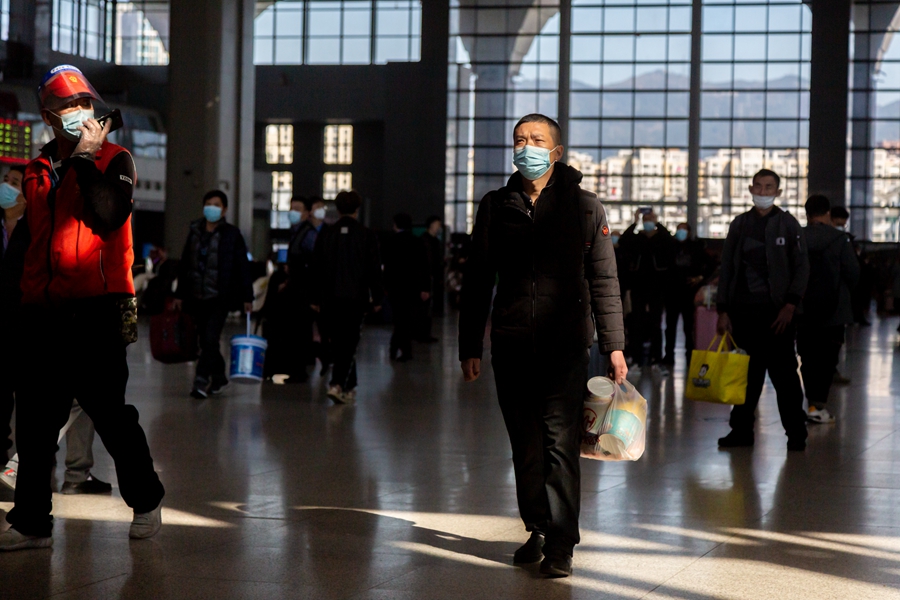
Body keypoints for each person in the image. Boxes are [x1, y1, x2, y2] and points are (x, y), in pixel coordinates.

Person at [0, 65, 165, 551]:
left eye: (84, 104)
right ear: (49, 117)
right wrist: (13, 306)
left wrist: (87, 159)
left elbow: (109, 214)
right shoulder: (36, 171)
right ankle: (32, 520)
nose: (79, 114)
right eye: (68, 107)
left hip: (97, 309)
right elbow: (26, 248)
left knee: (109, 412)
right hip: (42, 313)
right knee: (34, 421)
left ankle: (147, 497)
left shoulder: (116, 159)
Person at [458, 114, 627, 578]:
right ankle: (537, 524)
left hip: (566, 345)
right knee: (526, 445)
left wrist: (614, 344)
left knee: (559, 442)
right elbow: (477, 281)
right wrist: (469, 343)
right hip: (511, 344)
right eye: (519, 139)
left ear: (556, 151)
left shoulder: (585, 207)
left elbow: (605, 279)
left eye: (536, 140)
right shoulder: (496, 206)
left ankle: (561, 543)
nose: (525, 146)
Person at [716, 168, 809, 451]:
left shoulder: (788, 225)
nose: (763, 191)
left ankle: (796, 433)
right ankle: (741, 431)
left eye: (769, 187)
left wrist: (791, 305)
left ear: (778, 192)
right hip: (744, 314)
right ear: (750, 188)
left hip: (778, 315)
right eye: (759, 186)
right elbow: (727, 269)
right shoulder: (740, 224)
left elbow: (802, 267)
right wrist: (723, 309)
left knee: (785, 377)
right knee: (746, 376)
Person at [173, 190, 254, 399]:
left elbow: (242, 266)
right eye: (208, 203)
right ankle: (219, 377)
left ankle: (200, 380)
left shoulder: (232, 235)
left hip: (220, 297)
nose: (212, 207)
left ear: (224, 209)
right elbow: (185, 264)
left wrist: (248, 296)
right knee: (206, 341)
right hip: (196, 295)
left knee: (210, 338)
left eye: (216, 204)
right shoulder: (195, 231)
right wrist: (180, 294)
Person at [310, 190, 383, 404]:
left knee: (339, 341)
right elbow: (374, 269)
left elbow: (316, 267)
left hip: (329, 297)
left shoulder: (326, 234)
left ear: (338, 208)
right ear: (357, 209)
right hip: (356, 299)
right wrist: (377, 297)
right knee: (348, 342)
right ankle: (338, 384)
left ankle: (348, 385)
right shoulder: (367, 235)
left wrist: (314, 297)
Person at [797, 196, 858, 424]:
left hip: (802, 310)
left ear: (807, 213)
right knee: (827, 359)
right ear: (828, 213)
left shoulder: (797, 237)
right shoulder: (840, 239)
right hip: (834, 311)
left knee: (808, 358)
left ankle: (810, 403)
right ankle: (819, 405)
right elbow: (853, 273)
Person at [619, 209, 674, 374]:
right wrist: (634, 221)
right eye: (646, 219)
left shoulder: (662, 238)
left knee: (656, 324)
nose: (648, 222)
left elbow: (670, 243)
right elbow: (624, 241)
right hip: (638, 286)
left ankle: (657, 360)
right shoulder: (638, 238)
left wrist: (658, 223)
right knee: (637, 323)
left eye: (651, 219)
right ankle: (636, 360)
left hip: (656, 286)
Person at [284, 196, 326, 381]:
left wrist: (315, 296)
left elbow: (317, 264)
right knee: (299, 330)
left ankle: (299, 370)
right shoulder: (297, 231)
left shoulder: (308, 234)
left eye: (298, 209)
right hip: (297, 289)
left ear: (307, 213)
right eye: (291, 208)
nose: (293, 212)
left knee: (300, 330)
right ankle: (312, 359)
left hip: (304, 291)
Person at [383, 213, 431, 361]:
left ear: (396, 224)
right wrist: (425, 288)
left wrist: (384, 286)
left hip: (395, 288)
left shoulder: (390, 242)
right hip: (413, 288)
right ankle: (402, 350)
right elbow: (424, 266)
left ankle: (397, 348)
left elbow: (387, 267)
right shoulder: (417, 242)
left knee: (399, 319)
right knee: (407, 320)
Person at [664, 223, 713, 364]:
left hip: (688, 292)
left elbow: (711, 263)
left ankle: (690, 356)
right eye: (678, 229)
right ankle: (669, 356)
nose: (681, 232)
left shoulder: (696, 247)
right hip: (672, 292)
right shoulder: (670, 246)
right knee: (670, 326)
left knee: (688, 326)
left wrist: (701, 277)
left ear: (689, 232)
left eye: (684, 229)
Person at [420, 215, 445, 341]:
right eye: (437, 224)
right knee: (425, 307)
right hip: (428, 278)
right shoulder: (427, 241)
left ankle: (425, 333)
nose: (439, 227)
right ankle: (423, 334)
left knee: (427, 307)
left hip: (431, 278)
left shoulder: (431, 241)